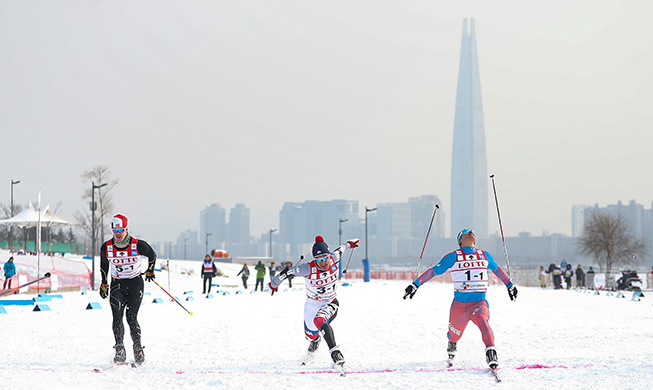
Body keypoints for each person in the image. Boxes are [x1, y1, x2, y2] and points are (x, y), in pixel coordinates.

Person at [403, 228, 517, 370]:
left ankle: (491, 352)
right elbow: (434, 270)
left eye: (472, 232)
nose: (471, 232)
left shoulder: (484, 255)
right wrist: (415, 285)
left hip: (478, 303)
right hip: (459, 307)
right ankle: (452, 342)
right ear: (460, 241)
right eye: (466, 231)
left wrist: (510, 286)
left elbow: (497, 269)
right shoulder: (453, 256)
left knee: (483, 320)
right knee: (454, 335)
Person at [268, 235, 359, 370]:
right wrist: (274, 284)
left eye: (324, 258)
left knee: (320, 319)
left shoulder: (334, 258)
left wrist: (350, 243)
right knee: (310, 335)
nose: (323, 262)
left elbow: (342, 248)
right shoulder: (307, 268)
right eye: (318, 259)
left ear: (329, 256)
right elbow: (287, 272)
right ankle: (315, 341)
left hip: (330, 302)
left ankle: (335, 352)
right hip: (312, 305)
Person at [99, 214, 157, 365]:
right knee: (117, 317)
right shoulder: (107, 247)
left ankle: (138, 348)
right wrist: (104, 283)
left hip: (135, 284)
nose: (118, 234)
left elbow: (152, 255)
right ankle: (119, 349)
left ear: (126, 229)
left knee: (131, 317)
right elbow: (104, 266)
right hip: (117, 285)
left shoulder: (138, 244)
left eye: (121, 230)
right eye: (115, 231)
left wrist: (150, 270)